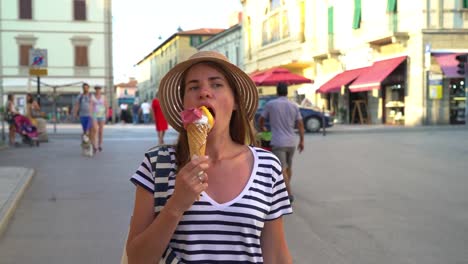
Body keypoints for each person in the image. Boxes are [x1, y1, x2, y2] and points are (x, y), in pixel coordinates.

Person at [126, 51, 293, 263]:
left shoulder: (267, 166)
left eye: (216, 84)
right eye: (194, 87)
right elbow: (136, 259)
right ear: (184, 106)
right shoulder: (157, 164)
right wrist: (176, 204)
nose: (204, 92)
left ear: (235, 103)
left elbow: (277, 255)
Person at [258, 82, 305, 203]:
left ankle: (288, 194)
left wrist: (263, 127)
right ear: (287, 92)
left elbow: (261, 119)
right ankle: (287, 187)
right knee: (289, 167)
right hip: (291, 142)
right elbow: (300, 124)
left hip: (278, 142)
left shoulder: (271, 105)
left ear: (277, 91)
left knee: (282, 169)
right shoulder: (294, 105)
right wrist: (302, 141)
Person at [73, 83, 96, 152]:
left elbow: (95, 104)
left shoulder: (91, 96)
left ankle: (93, 145)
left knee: (89, 131)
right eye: (84, 88)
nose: (85, 89)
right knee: (85, 132)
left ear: (88, 88)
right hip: (82, 116)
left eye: (86, 88)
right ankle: (85, 144)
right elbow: (77, 105)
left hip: (90, 116)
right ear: (82, 88)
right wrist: (75, 113)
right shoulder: (80, 96)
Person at [92, 86, 108, 152]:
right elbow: (90, 105)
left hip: (102, 115)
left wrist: (106, 114)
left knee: (101, 131)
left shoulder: (103, 97)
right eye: (97, 89)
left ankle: (100, 145)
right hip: (94, 115)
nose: (98, 91)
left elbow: (106, 106)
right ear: (95, 90)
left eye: (99, 89)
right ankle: (95, 145)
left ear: (100, 90)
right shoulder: (92, 97)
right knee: (95, 130)